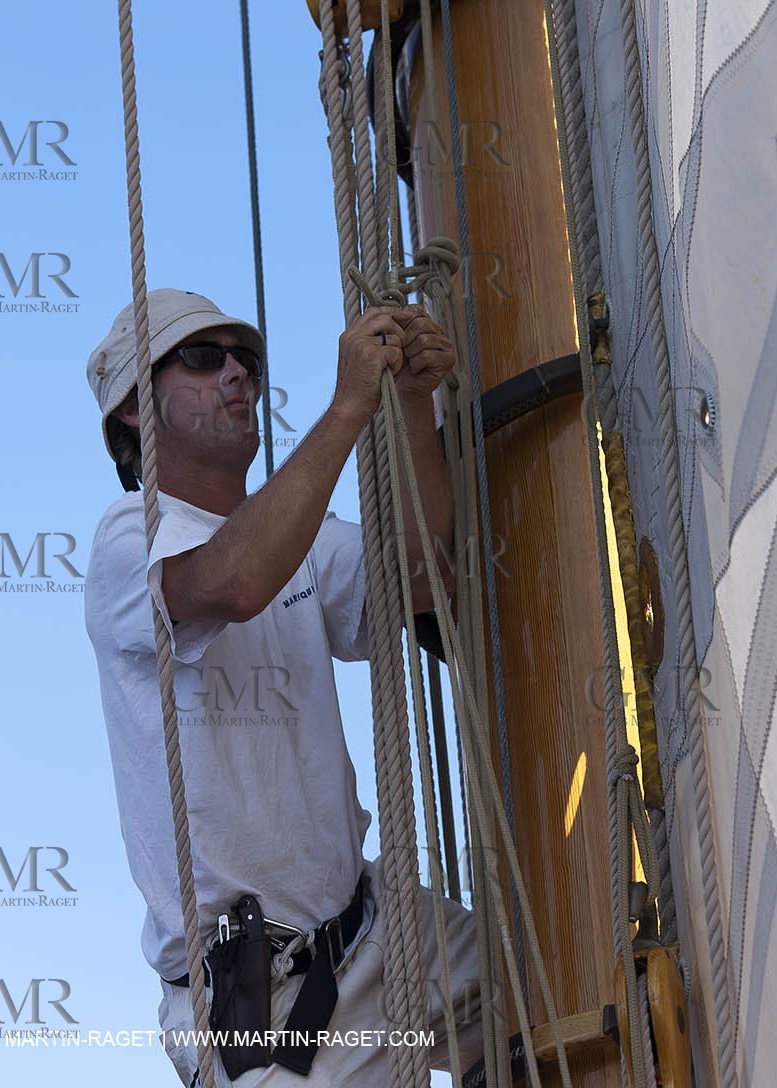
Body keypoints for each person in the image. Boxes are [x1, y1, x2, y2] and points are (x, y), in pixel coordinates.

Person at [84, 288, 482, 1086]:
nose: (238, 374)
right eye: (203, 358)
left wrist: (408, 404)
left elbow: (420, 579)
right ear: (132, 409)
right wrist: (344, 411)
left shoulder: (303, 542)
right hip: (265, 1016)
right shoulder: (128, 543)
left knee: (566, 989)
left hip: (376, 931)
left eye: (248, 361)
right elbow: (233, 584)